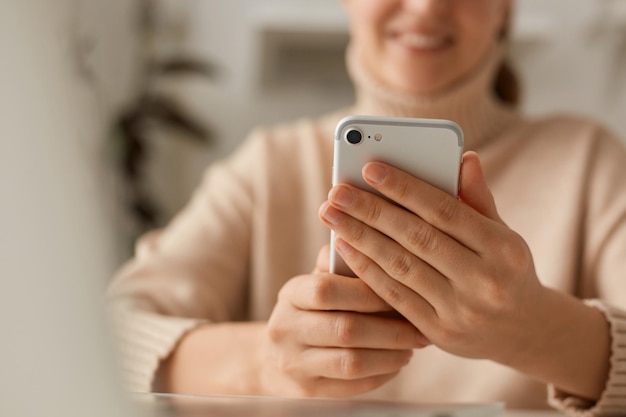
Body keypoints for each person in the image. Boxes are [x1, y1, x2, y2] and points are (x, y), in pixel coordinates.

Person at [106, 1, 626, 416]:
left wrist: (534, 328)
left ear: (506, 7)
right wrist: (268, 366)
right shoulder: (269, 166)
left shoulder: (591, 162)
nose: (425, 7)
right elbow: (107, 338)